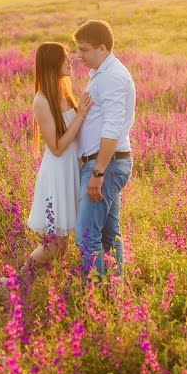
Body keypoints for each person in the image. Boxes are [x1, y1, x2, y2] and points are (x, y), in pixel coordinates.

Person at [3, 42, 92, 294]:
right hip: (57, 173)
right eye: (65, 58)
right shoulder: (41, 101)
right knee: (54, 244)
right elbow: (56, 147)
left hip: (72, 170)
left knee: (63, 245)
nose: (71, 61)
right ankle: (14, 285)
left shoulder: (64, 94)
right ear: (53, 64)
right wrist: (81, 115)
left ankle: (50, 287)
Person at [72, 20, 135, 279]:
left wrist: (97, 173)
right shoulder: (103, 74)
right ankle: (114, 295)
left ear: (101, 48)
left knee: (86, 237)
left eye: (84, 50)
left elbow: (112, 127)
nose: (79, 56)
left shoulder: (111, 77)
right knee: (109, 234)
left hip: (105, 165)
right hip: (104, 164)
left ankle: (94, 301)